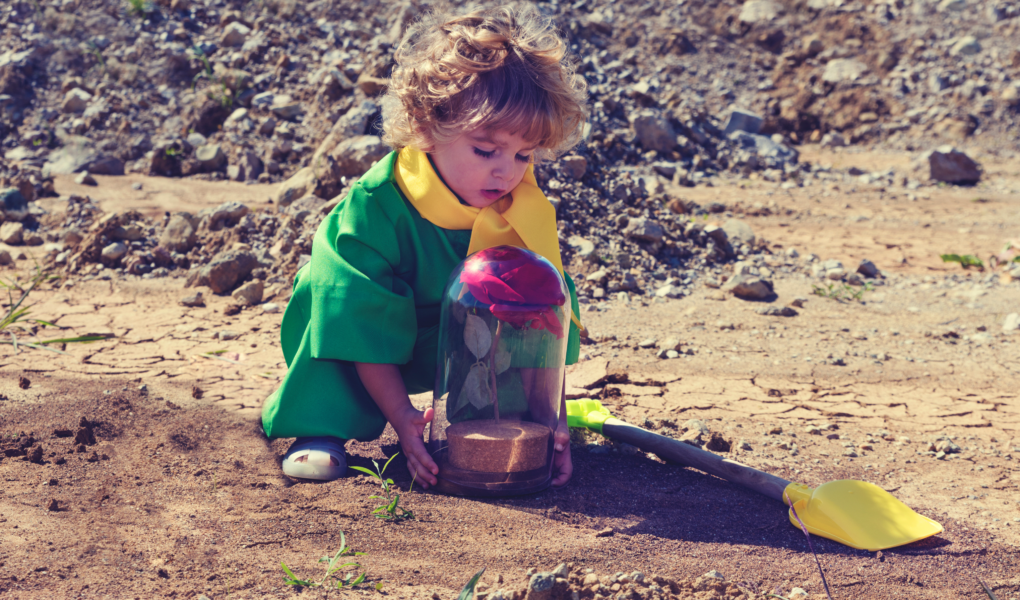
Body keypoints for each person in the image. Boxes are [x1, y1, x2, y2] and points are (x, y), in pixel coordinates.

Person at [261, 3, 588, 489]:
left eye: (524, 155)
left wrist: (552, 422)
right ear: (426, 127)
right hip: (370, 340)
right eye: (486, 150)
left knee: (523, 300)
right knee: (326, 291)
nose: (507, 172)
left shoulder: (522, 206)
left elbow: (541, 324)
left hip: (459, 347)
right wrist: (402, 419)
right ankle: (321, 428)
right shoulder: (377, 204)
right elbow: (359, 316)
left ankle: (486, 426)